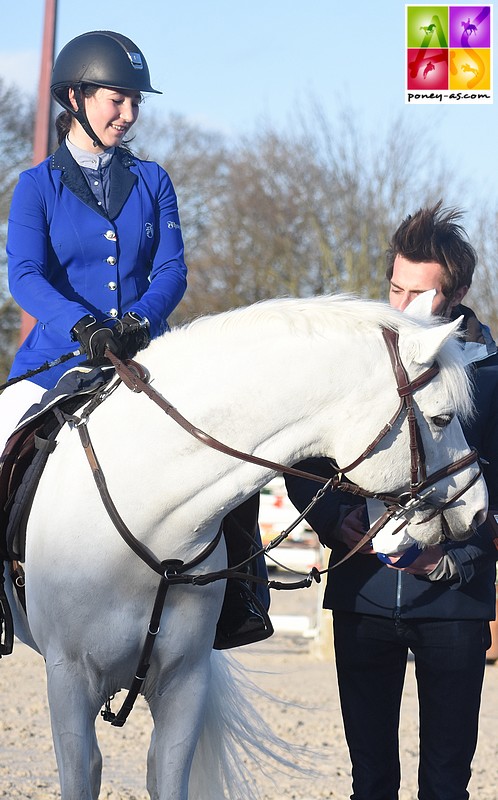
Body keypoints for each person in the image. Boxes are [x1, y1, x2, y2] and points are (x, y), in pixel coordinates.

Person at [0, 30, 268, 650]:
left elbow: (172, 270)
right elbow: (25, 274)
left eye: (135, 103)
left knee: (230, 452)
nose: (129, 114)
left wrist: (140, 321)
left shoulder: (153, 181)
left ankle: (242, 595)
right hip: (58, 362)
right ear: (75, 96)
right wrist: (81, 324)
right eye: (117, 99)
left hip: (148, 358)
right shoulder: (35, 186)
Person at [285, 202, 498, 800]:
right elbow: (301, 462)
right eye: (394, 287)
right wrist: (334, 520)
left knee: (445, 785)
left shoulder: (491, 373)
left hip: (456, 605)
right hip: (361, 598)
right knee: (370, 783)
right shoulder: (353, 365)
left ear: (453, 296)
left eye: (418, 293)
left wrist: (452, 558)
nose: (399, 306)